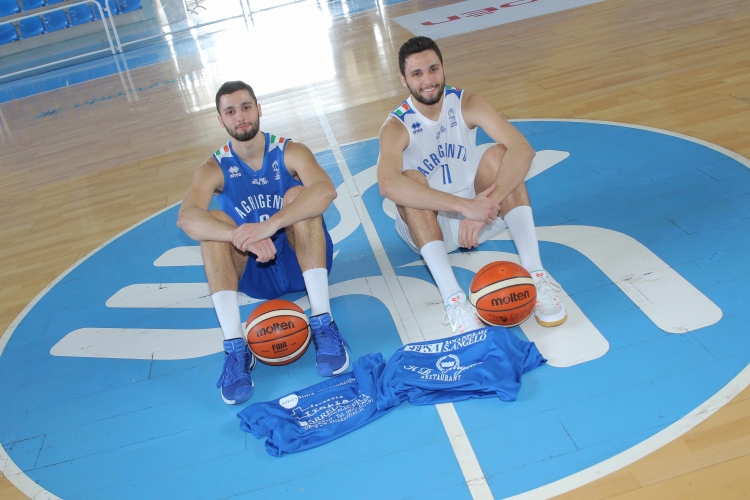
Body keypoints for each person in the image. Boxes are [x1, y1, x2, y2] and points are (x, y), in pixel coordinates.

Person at [376, 36, 567, 335]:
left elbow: (523, 149)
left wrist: (485, 206)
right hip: (429, 223)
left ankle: (536, 275)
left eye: (433, 69)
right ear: (404, 80)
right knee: (408, 180)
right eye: (417, 74)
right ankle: (454, 301)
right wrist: (465, 207)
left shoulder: (467, 102)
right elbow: (387, 184)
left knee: (501, 156)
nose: (428, 80)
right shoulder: (396, 125)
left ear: (442, 68)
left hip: (478, 216)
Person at [177, 81, 349, 405]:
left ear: (258, 108)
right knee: (213, 227)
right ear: (220, 120)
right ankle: (235, 349)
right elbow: (186, 218)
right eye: (230, 111)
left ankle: (324, 325)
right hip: (255, 272)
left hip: (302, 258)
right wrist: (240, 236)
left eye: (245, 107)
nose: (240, 117)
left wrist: (269, 225)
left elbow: (326, 190)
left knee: (301, 196)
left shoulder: (290, 151)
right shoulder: (213, 168)